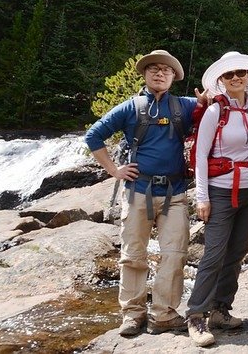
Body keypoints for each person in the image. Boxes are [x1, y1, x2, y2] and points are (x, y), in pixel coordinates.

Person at [85, 50, 201, 337]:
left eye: (166, 70)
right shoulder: (130, 107)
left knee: (175, 254)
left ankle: (163, 314)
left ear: (174, 77)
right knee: (133, 255)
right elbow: (93, 136)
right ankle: (133, 315)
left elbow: (212, 112)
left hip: (175, 192)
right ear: (145, 75)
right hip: (138, 190)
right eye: (153, 69)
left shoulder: (185, 106)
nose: (159, 73)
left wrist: (209, 99)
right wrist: (115, 170)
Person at [185, 52, 248, 347]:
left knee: (237, 253)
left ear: (247, 76)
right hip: (220, 192)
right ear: (221, 80)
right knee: (214, 254)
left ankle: (221, 309)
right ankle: (196, 315)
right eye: (229, 75)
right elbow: (201, 158)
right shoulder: (214, 112)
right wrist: (202, 197)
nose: (236, 78)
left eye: (240, 73)